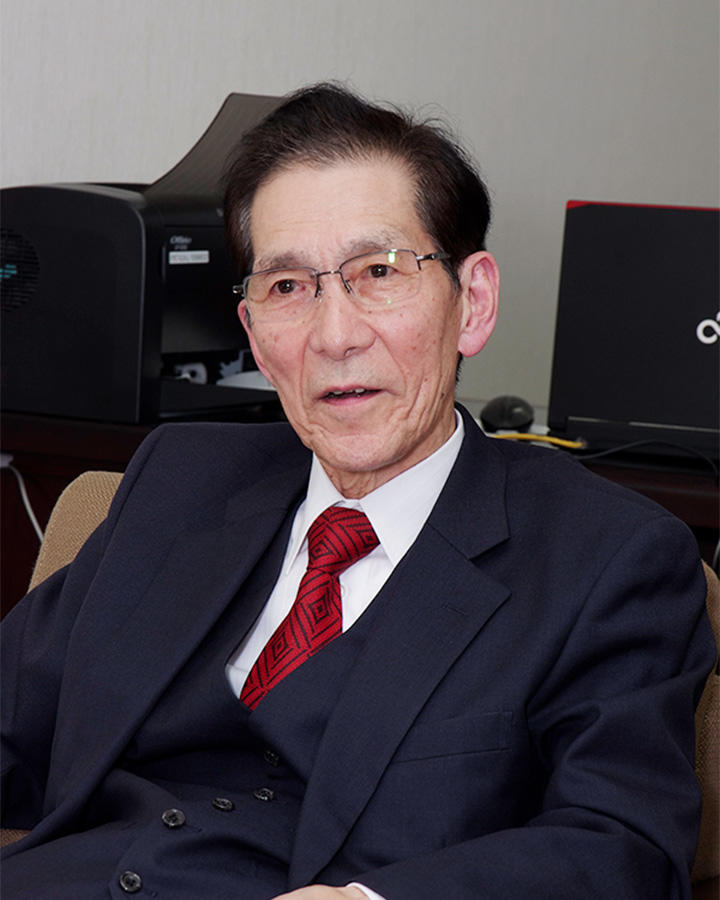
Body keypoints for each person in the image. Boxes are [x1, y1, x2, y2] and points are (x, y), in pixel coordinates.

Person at [1, 83, 714, 900]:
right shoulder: (180, 481)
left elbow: (622, 847)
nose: (334, 336)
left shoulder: (607, 558)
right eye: (287, 287)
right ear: (255, 338)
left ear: (474, 304)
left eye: (378, 272)